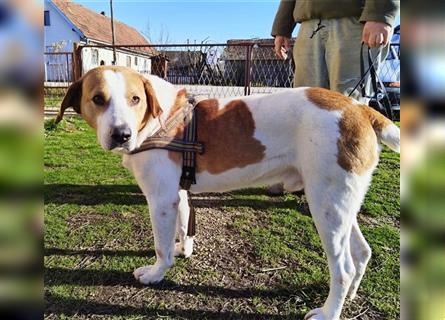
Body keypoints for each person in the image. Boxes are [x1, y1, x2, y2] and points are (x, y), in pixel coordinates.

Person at [267, 0, 400, 196]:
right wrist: (282, 28)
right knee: (305, 105)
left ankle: (338, 186)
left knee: (345, 111)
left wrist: (381, 12)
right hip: (309, 23)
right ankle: (297, 176)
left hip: (354, 21)